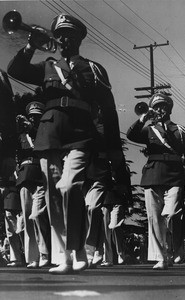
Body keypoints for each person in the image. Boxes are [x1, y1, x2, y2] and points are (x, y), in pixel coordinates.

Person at [8, 13, 127, 274]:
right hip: (50, 134)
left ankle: (79, 249)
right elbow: (15, 70)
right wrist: (31, 45)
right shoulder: (48, 66)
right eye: (60, 34)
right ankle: (65, 256)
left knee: (69, 186)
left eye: (69, 34)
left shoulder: (93, 69)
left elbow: (108, 110)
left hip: (81, 134)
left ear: (79, 38)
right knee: (52, 195)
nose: (64, 39)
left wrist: (114, 148)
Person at [127, 92, 185, 270]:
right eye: (156, 107)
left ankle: (174, 248)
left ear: (169, 109)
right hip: (153, 175)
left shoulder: (181, 130)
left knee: (171, 215)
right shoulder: (149, 129)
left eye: (163, 106)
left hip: (175, 176)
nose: (160, 110)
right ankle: (162, 257)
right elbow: (131, 135)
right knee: (155, 218)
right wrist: (143, 119)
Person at [15, 101, 50, 269]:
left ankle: (45, 252)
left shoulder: (43, 131)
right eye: (30, 117)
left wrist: (33, 130)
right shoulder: (21, 135)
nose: (32, 119)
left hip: (40, 177)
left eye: (36, 117)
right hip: (24, 177)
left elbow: (44, 145)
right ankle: (32, 257)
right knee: (27, 220)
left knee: (37, 216)